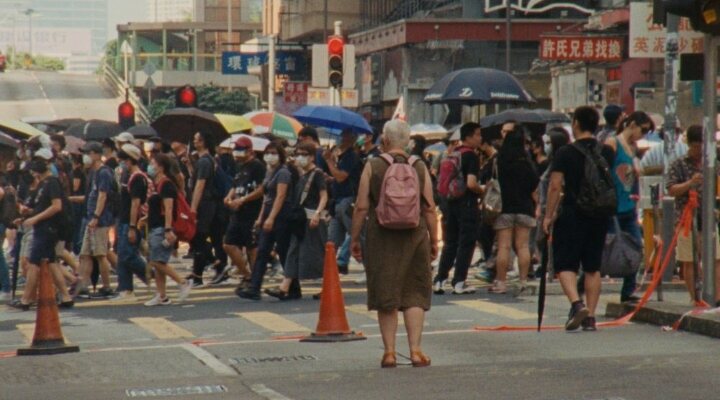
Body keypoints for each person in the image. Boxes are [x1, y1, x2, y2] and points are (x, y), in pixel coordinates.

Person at [350, 119, 438, 368]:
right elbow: (429, 207)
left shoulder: (373, 165)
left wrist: (355, 239)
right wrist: (434, 240)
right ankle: (416, 351)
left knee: (386, 292)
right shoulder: (419, 166)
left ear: (384, 140)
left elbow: (361, 207)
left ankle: (389, 352)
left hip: (381, 234)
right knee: (415, 293)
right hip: (415, 234)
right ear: (408, 142)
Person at [543, 106, 615, 332]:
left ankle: (576, 304)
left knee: (566, 264)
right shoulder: (606, 151)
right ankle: (591, 318)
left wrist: (548, 216)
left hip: (573, 213)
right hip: (599, 214)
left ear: (575, 124)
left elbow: (555, 186)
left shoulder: (565, 152)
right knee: (593, 267)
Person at [11, 149, 73, 310]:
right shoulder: (42, 185)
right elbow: (40, 207)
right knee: (51, 262)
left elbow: (56, 206)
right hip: (42, 227)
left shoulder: (52, 182)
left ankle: (26, 299)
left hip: (48, 229)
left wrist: (35, 218)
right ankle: (66, 296)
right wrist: (27, 215)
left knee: (33, 263)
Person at [266, 142, 328, 300]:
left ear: (312, 157)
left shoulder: (317, 174)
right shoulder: (302, 175)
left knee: (318, 254)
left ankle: (328, 287)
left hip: (313, 219)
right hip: (300, 221)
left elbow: (324, 196)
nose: (300, 157)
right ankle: (284, 287)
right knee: (293, 251)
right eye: (298, 154)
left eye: (304, 154)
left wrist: (317, 214)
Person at [666, 125, 720, 306]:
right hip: (686, 218)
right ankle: (694, 297)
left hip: (708, 218)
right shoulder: (679, 164)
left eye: (702, 147)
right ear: (689, 144)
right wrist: (690, 183)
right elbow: (672, 189)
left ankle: (716, 297)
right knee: (689, 260)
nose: (699, 151)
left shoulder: (711, 163)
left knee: (715, 257)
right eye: (696, 147)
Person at [604, 111, 654, 303]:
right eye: (642, 130)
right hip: (612, 207)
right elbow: (603, 171)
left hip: (629, 205)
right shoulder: (612, 143)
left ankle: (628, 289)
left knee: (635, 246)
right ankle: (588, 280)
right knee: (607, 249)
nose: (642, 135)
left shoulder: (633, 148)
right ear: (631, 124)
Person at [236, 142, 294, 300]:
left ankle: (294, 288)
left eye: (274, 152)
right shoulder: (269, 172)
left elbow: (280, 197)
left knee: (283, 251)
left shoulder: (283, 172)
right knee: (262, 250)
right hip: (269, 212)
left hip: (281, 214)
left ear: (280, 155)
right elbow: (266, 197)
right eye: (268, 152)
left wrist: (271, 218)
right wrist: (261, 217)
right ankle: (254, 288)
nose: (270, 155)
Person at [433, 122, 483, 294]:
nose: (480, 138)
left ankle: (440, 279)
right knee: (466, 243)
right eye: (477, 134)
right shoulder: (471, 156)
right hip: (467, 204)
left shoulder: (452, 154)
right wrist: (482, 189)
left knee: (450, 243)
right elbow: (471, 183)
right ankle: (459, 281)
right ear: (468, 137)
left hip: (450, 203)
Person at [490, 126, 539, 294]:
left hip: (504, 207)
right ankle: (523, 282)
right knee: (523, 246)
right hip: (525, 208)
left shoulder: (500, 160)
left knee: (504, 247)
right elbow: (535, 185)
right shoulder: (527, 162)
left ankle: (501, 283)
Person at [144, 153, 192, 306]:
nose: (150, 165)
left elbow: (169, 208)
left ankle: (182, 282)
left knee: (156, 261)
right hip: (155, 226)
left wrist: (168, 229)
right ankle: (162, 295)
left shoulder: (166, 184)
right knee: (158, 263)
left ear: (161, 166)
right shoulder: (158, 183)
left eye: (153, 163)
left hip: (162, 228)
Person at [222, 137, 266, 287]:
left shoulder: (257, 166)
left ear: (250, 151)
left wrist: (243, 200)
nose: (237, 153)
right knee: (228, 244)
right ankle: (247, 274)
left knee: (252, 247)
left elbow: (261, 189)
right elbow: (235, 185)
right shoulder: (240, 166)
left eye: (241, 149)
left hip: (251, 211)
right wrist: (229, 197)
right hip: (237, 212)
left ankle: (255, 281)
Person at [76, 142, 116, 299]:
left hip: (99, 219)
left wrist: (96, 216)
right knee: (85, 254)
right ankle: (83, 286)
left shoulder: (104, 172)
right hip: (91, 218)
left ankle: (106, 286)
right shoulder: (93, 172)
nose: (85, 156)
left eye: (88, 152)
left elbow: (102, 195)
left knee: (100, 254)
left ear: (96, 154)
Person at [322, 129, 362, 275]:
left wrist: (328, 161)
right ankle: (330, 279)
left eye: (344, 134)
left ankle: (369, 267)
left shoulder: (351, 156)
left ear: (350, 138)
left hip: (347, 202)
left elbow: (341, 177)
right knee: (331, 243)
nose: (340, 137)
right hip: (337, 203)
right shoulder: (343, 157)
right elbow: (338, 178)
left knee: (357, 235)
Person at [113, 144, 150, 301]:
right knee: (122, 255)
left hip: (130, 222)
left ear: (129, 160)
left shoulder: (138, 178)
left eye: (123, 160)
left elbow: (135, 204)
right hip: (123, 220)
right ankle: (125, 290)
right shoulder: (127, 177)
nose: (122, 163)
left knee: (127, 255)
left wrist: (132, 227)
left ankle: (150, 273)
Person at [188, 130, 222, 287]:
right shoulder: (206, 160)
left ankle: (215, 264)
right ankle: (199, 274)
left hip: (204, 204)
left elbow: (200, 186)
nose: (194, 142)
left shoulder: (204, 162)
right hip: (208, 203)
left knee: (198, 238)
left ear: (203, 142)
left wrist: (193, 208)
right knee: (199, 238)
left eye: (197, 140)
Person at [536, 128, 571, 282]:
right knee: (541, 240)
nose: (546, 146)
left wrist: (553, 211)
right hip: (544, 207)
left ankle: (554, 270)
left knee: (551, 242)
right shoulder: (551, 162)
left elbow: (558, 188)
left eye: (549, 143)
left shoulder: (561, 162)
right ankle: (549, 269)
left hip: (554, 210)